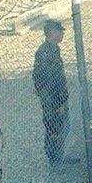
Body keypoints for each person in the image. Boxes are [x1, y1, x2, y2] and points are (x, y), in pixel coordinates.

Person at [32, 19, 70, 165]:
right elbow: (46, 81)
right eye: (60, 31)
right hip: (52, 99)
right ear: (52, 33)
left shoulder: (54, 49)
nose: (62, 34)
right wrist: (56, 102)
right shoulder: (44, 52)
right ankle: (54, 159)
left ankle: (59, 155)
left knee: (61, 127)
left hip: (57, 97)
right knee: (53, 127)